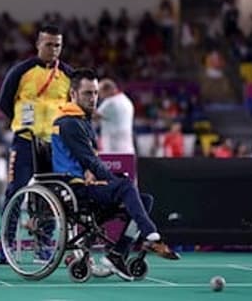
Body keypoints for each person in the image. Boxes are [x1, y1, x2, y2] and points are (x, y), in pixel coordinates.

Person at [51, 68, 179, 281]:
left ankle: (117, 254)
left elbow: (91, 162)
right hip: (73, 189)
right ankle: (150, 233)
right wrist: (113, 180)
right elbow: (89, 160)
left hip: (85, 185)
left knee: (144, 200)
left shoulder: (82, 120)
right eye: (87, 93)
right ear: (73, 94)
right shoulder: (68, 123)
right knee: (126, 187)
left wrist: (111, 178)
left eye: (94, 93)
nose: (93, 98)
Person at [0, 24, 73, 264]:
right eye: (49, 44)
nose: (53, 49)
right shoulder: (21, 71)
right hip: (25, 143)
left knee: (51, 197)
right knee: (15, 192)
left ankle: (43, 246)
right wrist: (23, 124)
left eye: (57, 45)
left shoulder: (69, 74)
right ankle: (6, 247)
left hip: (54, 145)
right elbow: (4, 102)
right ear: (38, 44)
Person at [95, 78, 135, 154]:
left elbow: (93, 116)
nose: (99, 96)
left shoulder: (110, 102)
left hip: (113, 146)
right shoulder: (126, 100)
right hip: (127, 146)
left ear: (108, 90)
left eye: (100, 93)